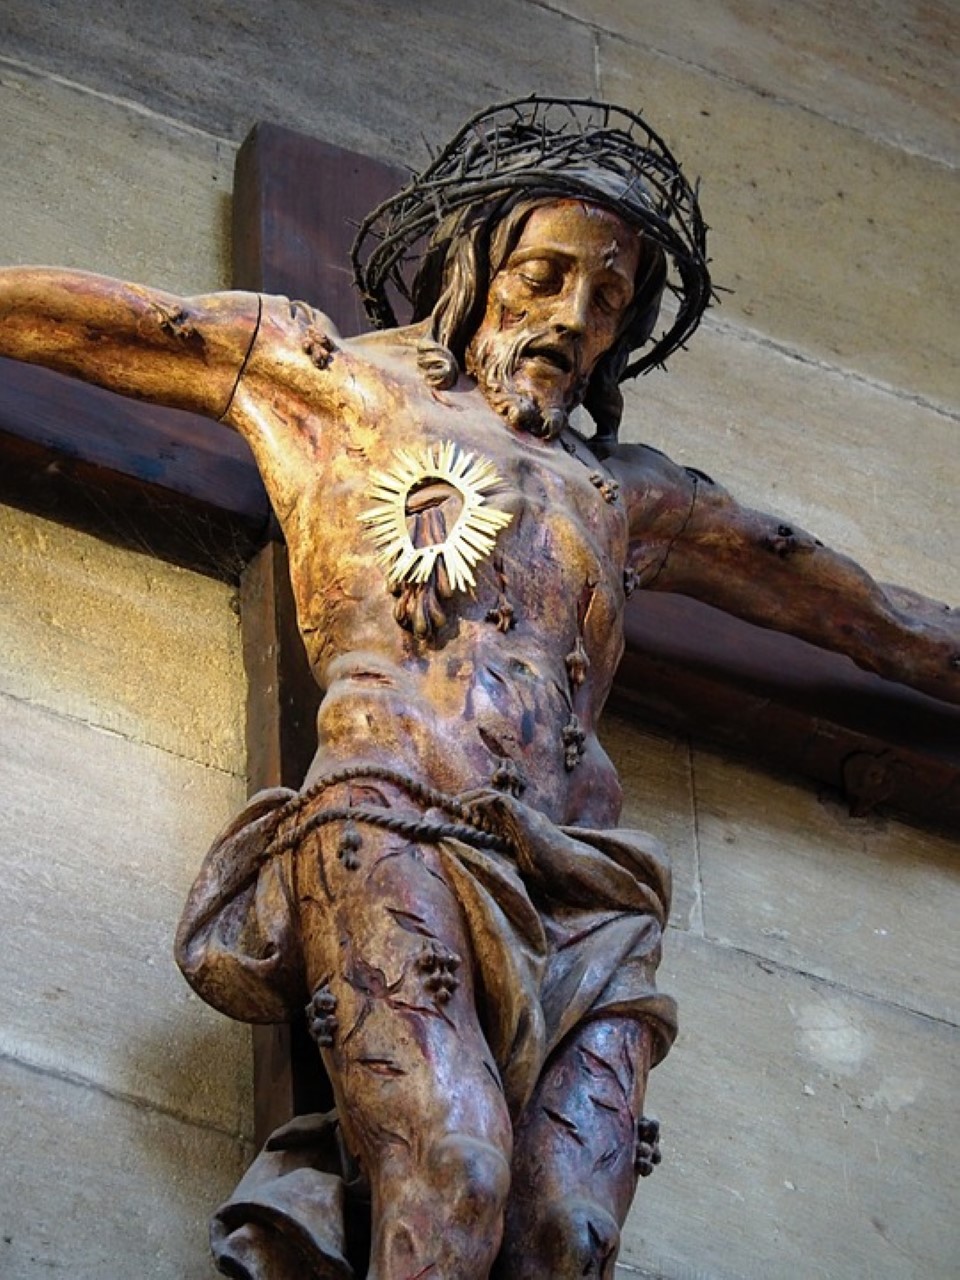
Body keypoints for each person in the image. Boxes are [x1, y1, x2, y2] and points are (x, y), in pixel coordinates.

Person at [0, 98, 956, 1280]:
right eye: (543, 275)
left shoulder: (628, 496)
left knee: (570, 1235)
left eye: (606, 298)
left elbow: (861, 610)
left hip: (585, 891)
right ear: (475, 268)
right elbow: (135, 325)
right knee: (455, 1166)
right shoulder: (332, 385)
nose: (570, 318)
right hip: (393, 820)